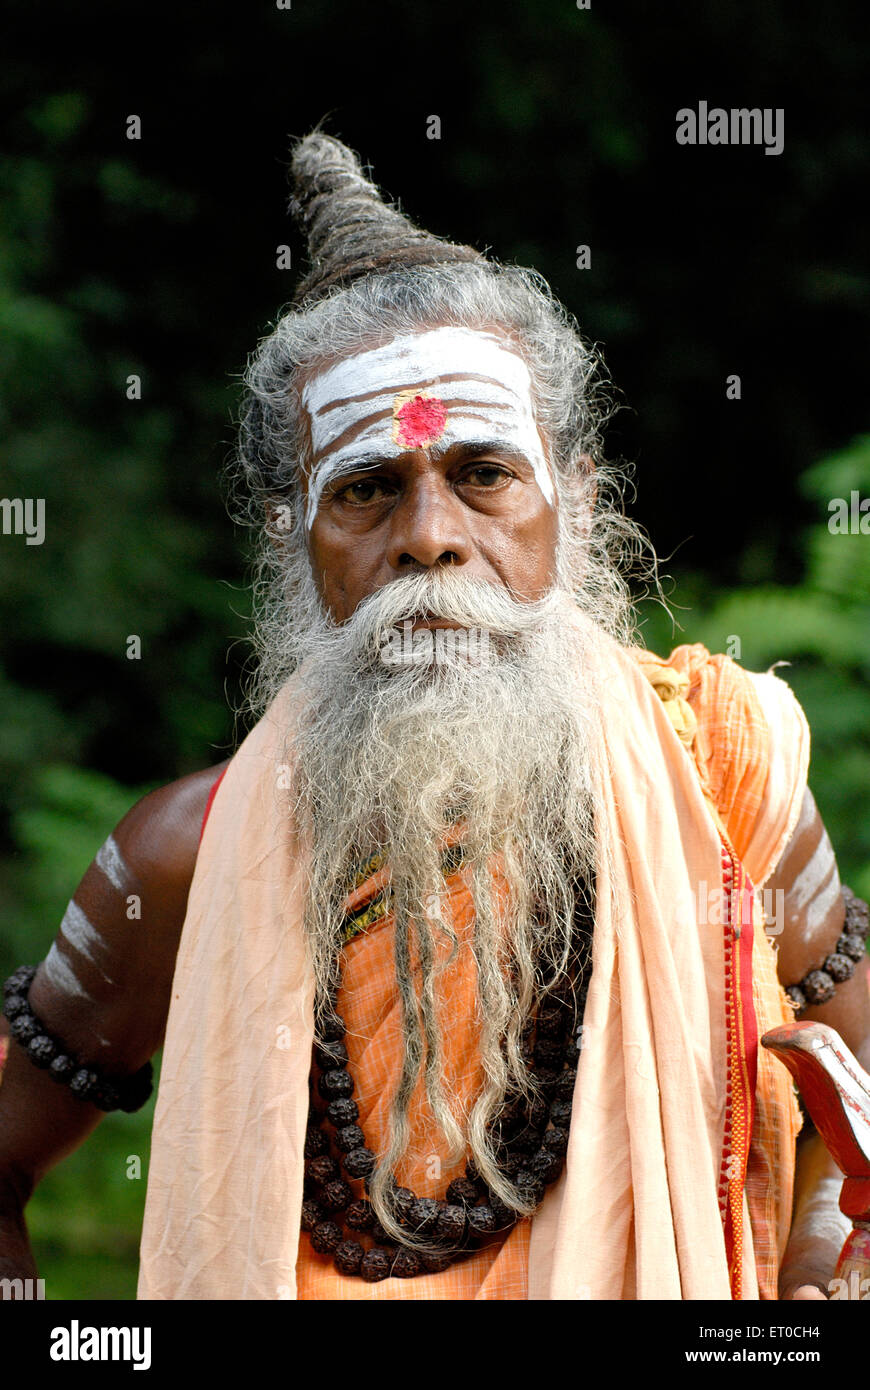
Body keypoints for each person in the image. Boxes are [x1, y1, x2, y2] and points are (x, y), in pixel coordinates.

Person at [1, 133, 868, 1302]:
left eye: (485, 474)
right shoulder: (184, 859)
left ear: (578, 498)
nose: (430, 538)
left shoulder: (723, 778)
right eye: (366, 490)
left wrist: (824, 1257)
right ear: (287, 539)